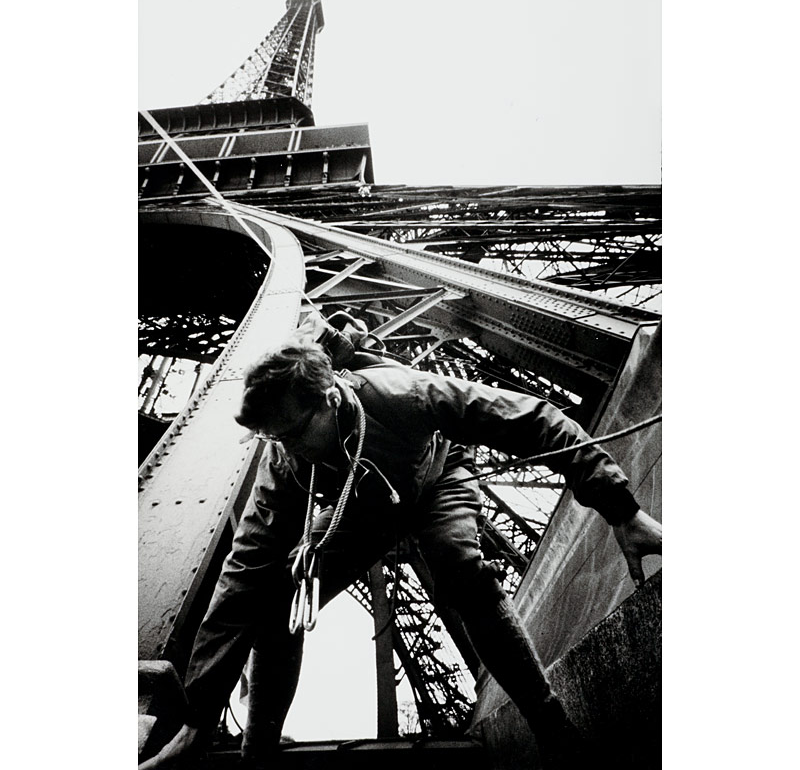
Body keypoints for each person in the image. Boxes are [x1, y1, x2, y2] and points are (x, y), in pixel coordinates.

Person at [139, 324, 662, 769]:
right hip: (361, 509)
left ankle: (547, 717)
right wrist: (197, 716)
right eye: (273, 439)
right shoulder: (285, 461)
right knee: (277, 606)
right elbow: (241, 577)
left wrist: (623, 510)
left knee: (460, 567)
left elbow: (531, 418)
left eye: (293, 431)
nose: (287, 447)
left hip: (437, 481)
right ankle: (259, 754)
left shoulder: (403, 394)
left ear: (331, 397)